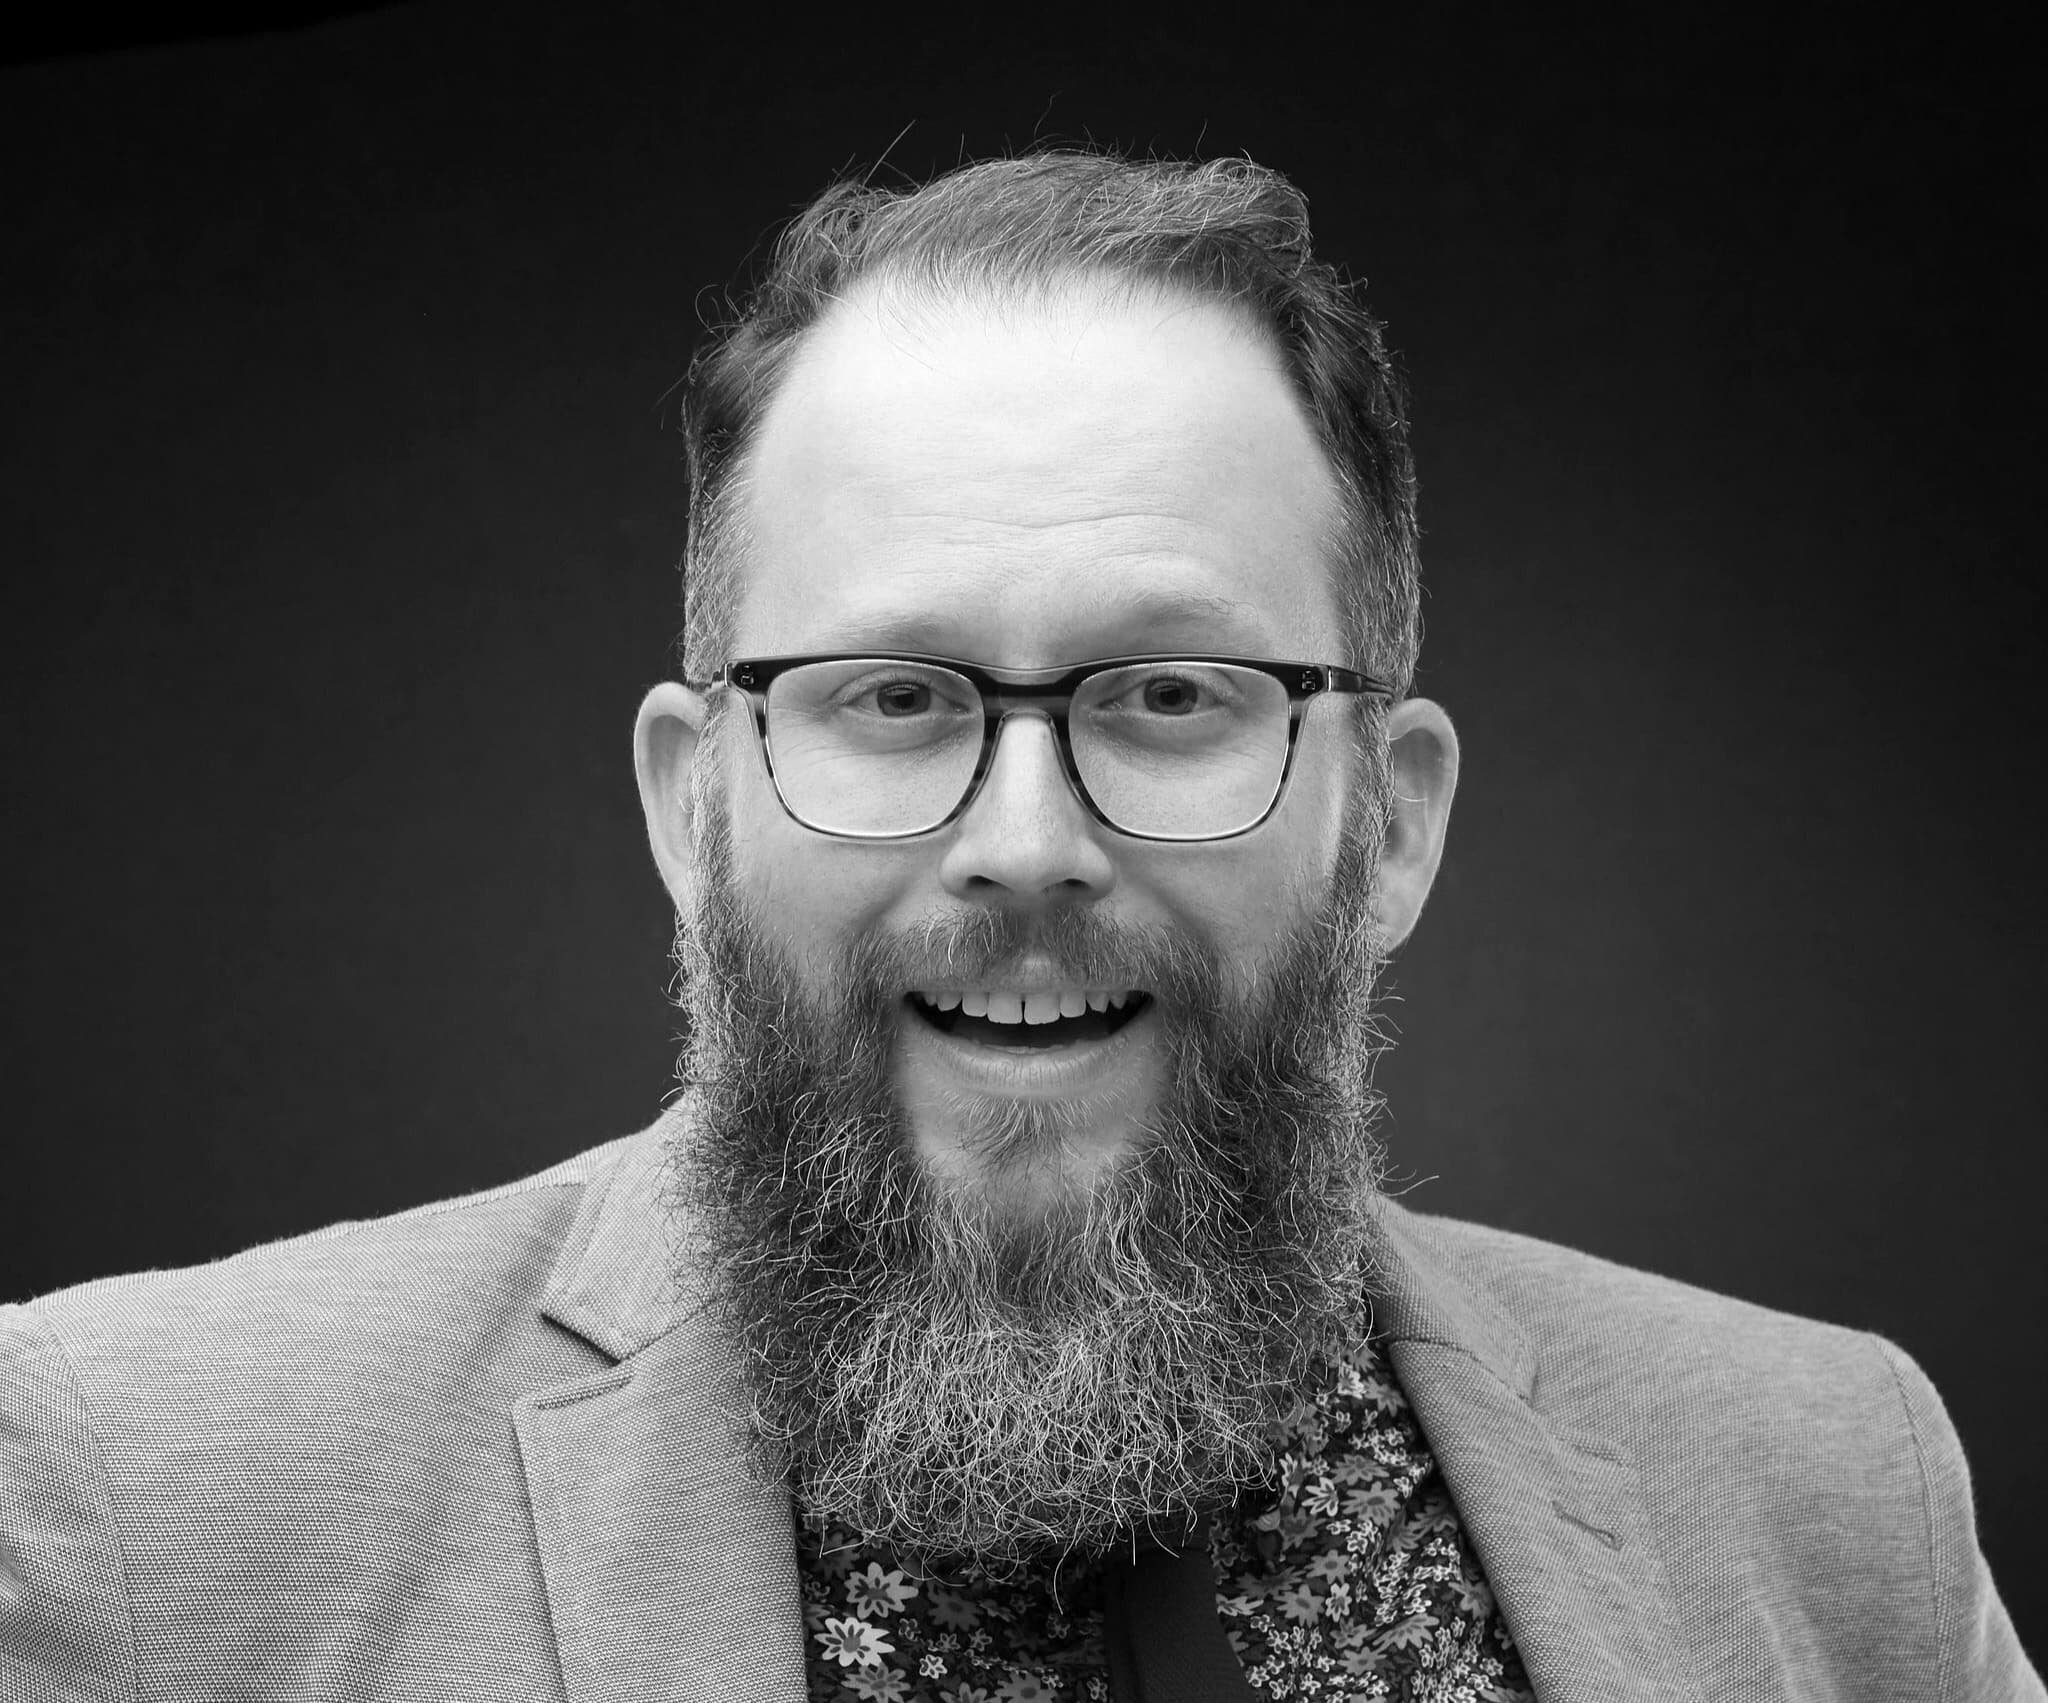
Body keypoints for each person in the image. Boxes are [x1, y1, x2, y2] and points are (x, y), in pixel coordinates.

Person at [2, 150, 2036, 1703]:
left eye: (1170, 695)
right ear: (694, 803)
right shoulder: (133, 1492)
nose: (1027, 842)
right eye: (896, 700)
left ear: (1391, 820)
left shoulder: (1829, 1480)